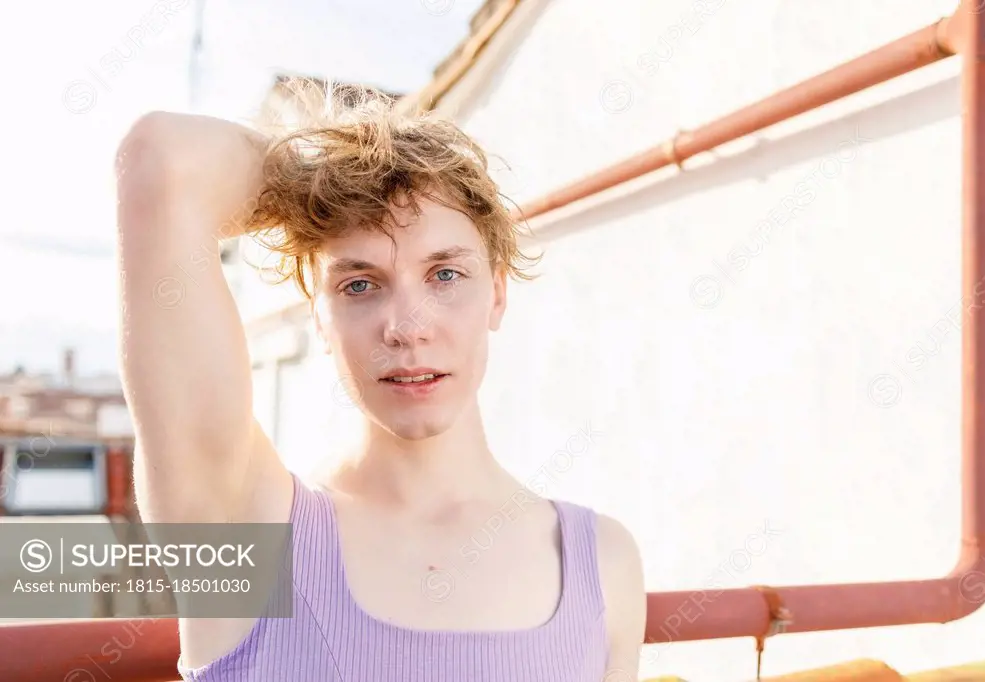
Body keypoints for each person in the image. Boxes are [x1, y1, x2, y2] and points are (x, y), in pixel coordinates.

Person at [114, 84, 647, 681]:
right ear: (318, 314)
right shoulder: (243, 525)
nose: (407, 328)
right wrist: (329, 177)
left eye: (444, 274)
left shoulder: (604, 565)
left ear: (496, 292)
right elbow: (163, 159)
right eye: (359, 285)